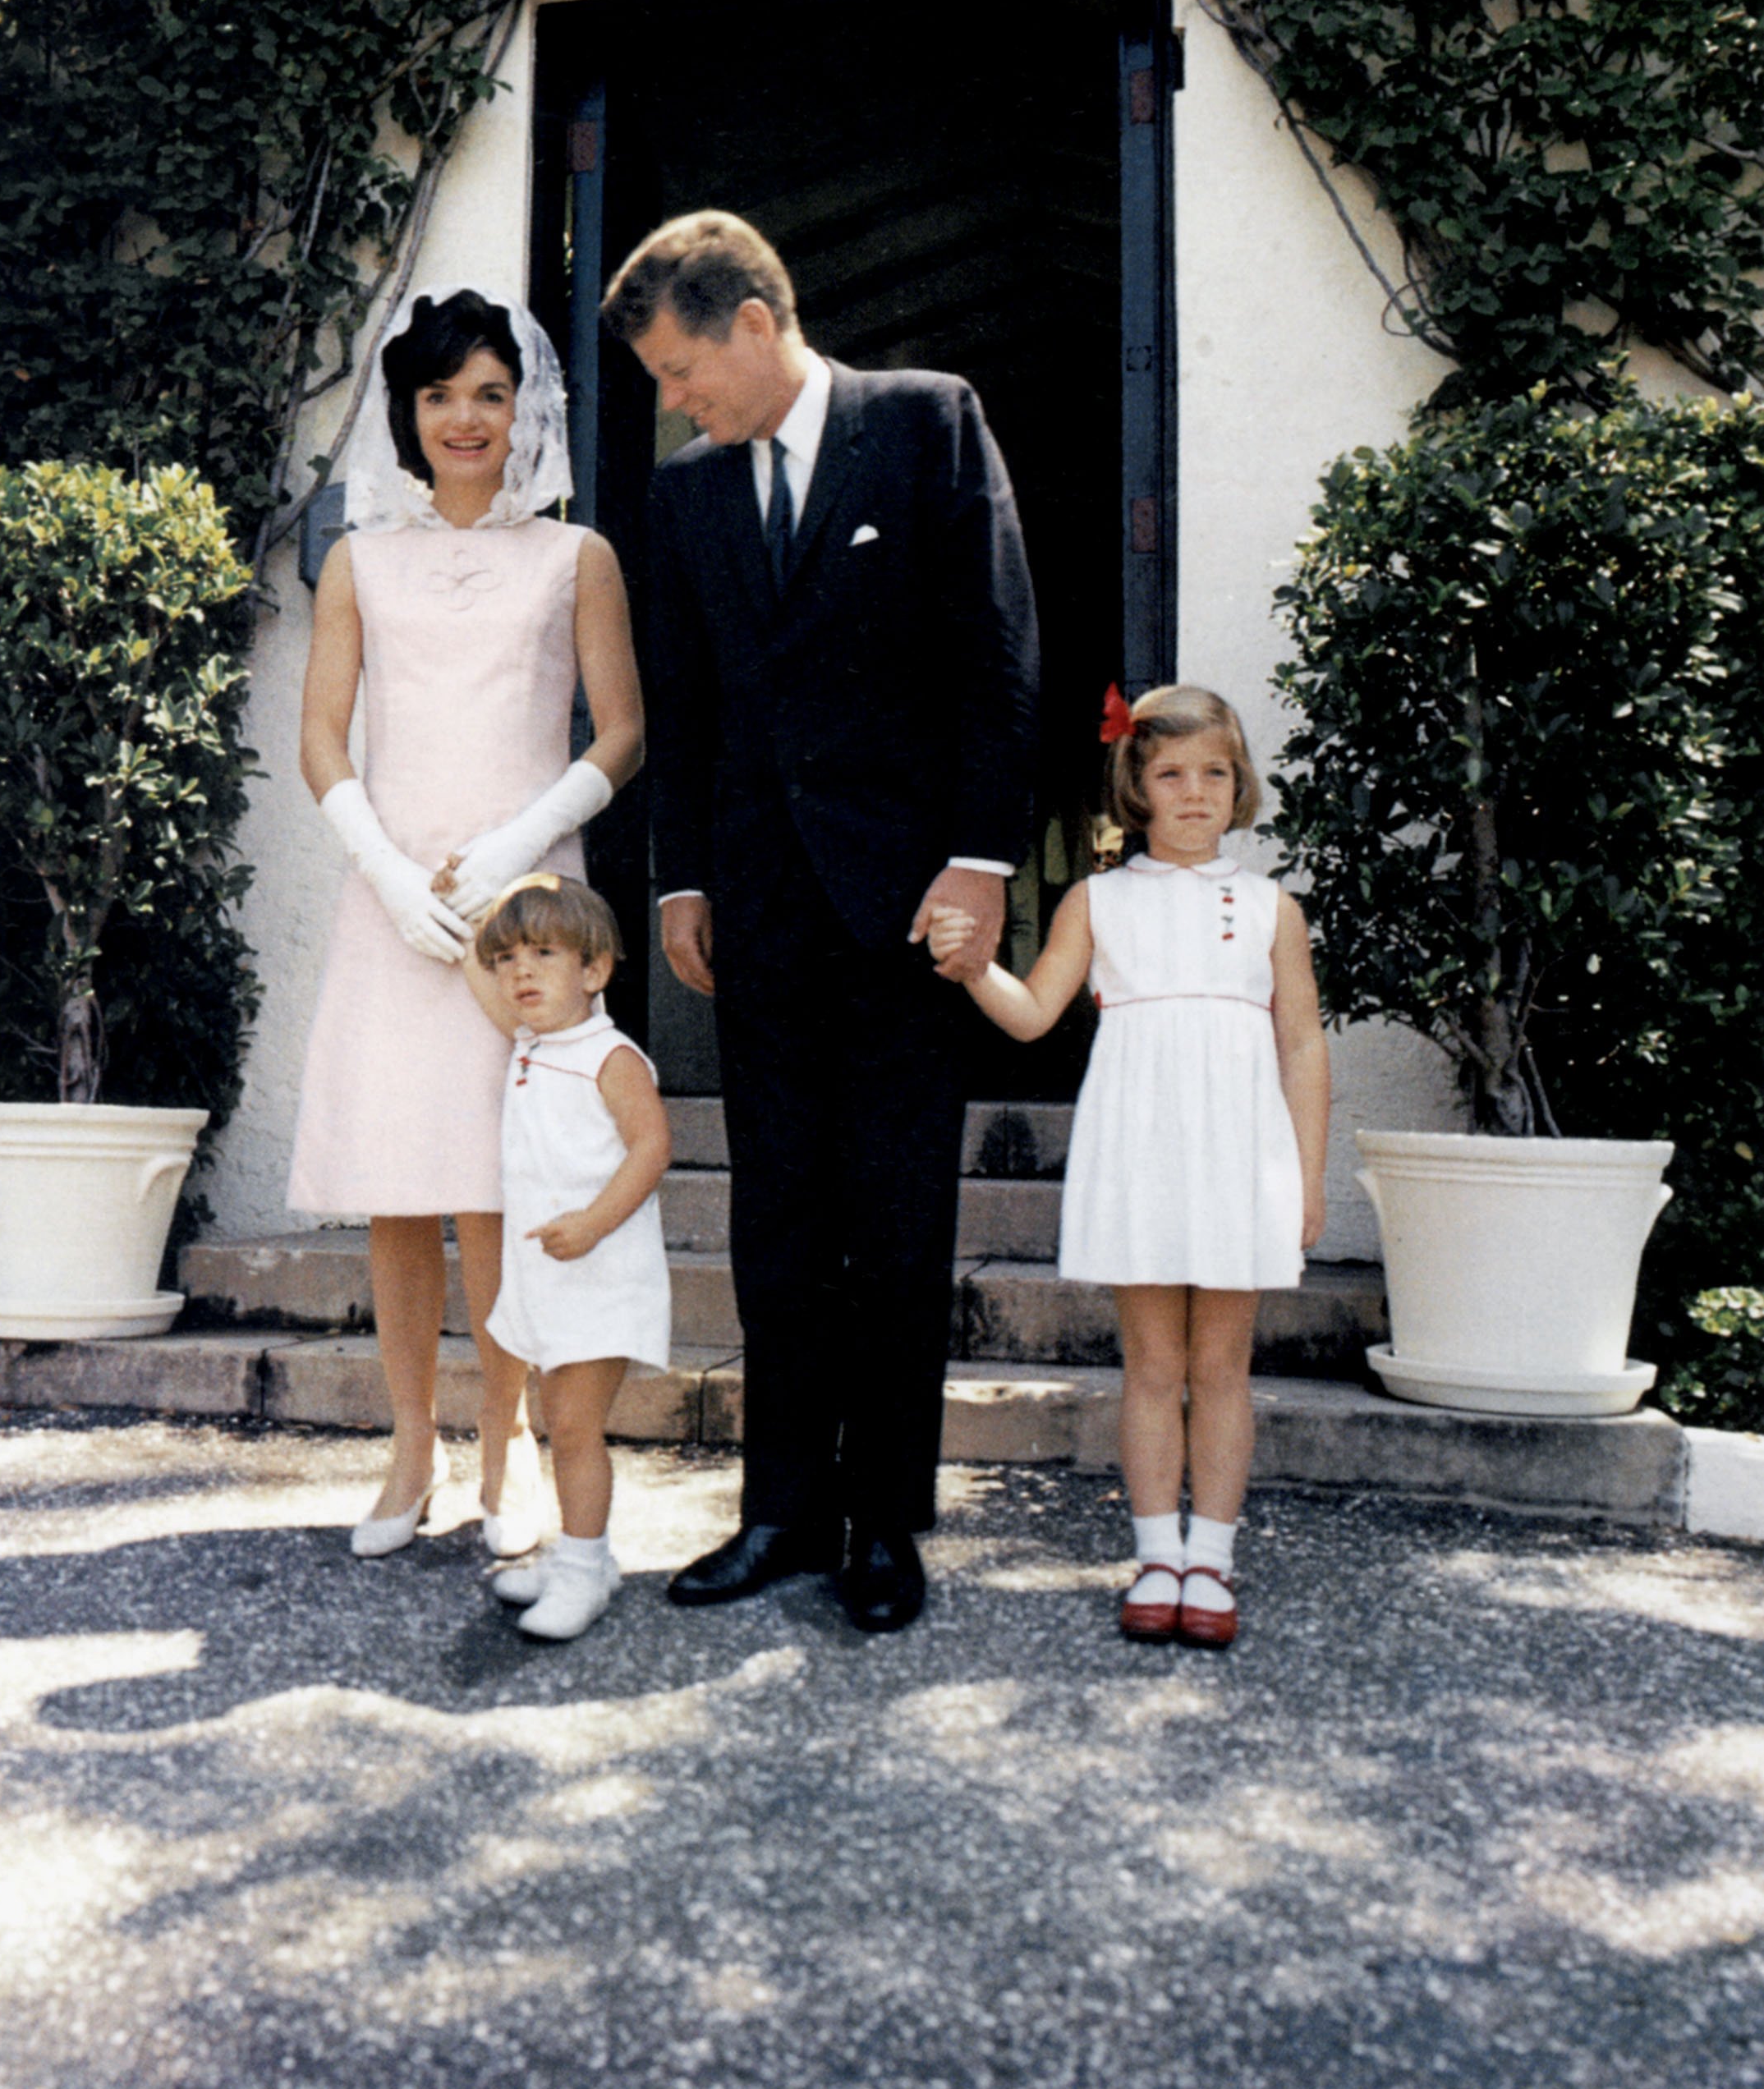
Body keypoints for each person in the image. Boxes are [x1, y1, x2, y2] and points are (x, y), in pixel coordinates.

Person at [605, 209, 1039, 1635]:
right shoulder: (685, 496)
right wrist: (679, 877)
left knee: (897, 1220)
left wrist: (982, 862)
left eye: (678, 370)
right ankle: (783, 1511)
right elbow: (692, 698)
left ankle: (883, 1527)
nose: (672, 403)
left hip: (911, 906)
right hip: (760, 907)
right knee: (778, 1217)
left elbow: (997, 655)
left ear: (751, 322)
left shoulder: (925, 424)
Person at [289, 285, 644, 1560]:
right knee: (401, 1184)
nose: (465, 417)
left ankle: (507, 1455)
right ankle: (406, 1449)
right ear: (409, 411)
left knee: (504, 1179)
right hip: (399, 902)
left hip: (525, 906)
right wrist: (386, 870)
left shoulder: (573, 557)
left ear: (525, 407)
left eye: (489, 393)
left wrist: (513, 846)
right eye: (440, 394)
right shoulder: (359, 561)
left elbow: (622, 731)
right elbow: (322, 738)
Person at [929, 684, 1330, 1651]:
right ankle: (1157, 1553)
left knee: (1222, 1366)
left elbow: (1304, 1046)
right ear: (1137, 787)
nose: (1195, 793)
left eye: (1215, 774)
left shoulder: (1272, 908)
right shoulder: (1097, 900)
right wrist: (973, 965)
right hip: (1143, 1147)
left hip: (1239, 1151)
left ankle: (1214, 1561)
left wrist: (1307, 1177)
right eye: (1172, 774)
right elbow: (1031, 1014)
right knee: (1152, 1365)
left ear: (1241, 787)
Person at [455, 873, 672, 1640]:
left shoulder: (609, 1056)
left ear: (595, 970)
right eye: (510, 957)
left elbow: (652, 1149)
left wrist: (593, 1223)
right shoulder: (532, 1044)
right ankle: (583, 1553)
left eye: (544, 953)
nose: (520, 972)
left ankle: (583, 1573)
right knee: (557, 1419)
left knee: (576, 1426)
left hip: (600, 1270)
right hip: (548, 1277)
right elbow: (475, 960)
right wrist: (495, 896)